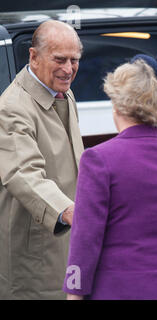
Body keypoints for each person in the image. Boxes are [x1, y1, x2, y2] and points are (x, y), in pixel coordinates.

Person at [62, 55, 157, 300]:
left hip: (119, 289)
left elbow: (86, 238)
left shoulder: (98, 159)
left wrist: (74, 291)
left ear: (118, 105)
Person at [0, 20, 84, 299]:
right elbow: (24, 173)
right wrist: (71, 211)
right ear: (33, 56)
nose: (69, 69)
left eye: (75, 60)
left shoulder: (64, 91)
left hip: (68, 239)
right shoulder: (12, 107)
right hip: (35, 247)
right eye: (59, 59)